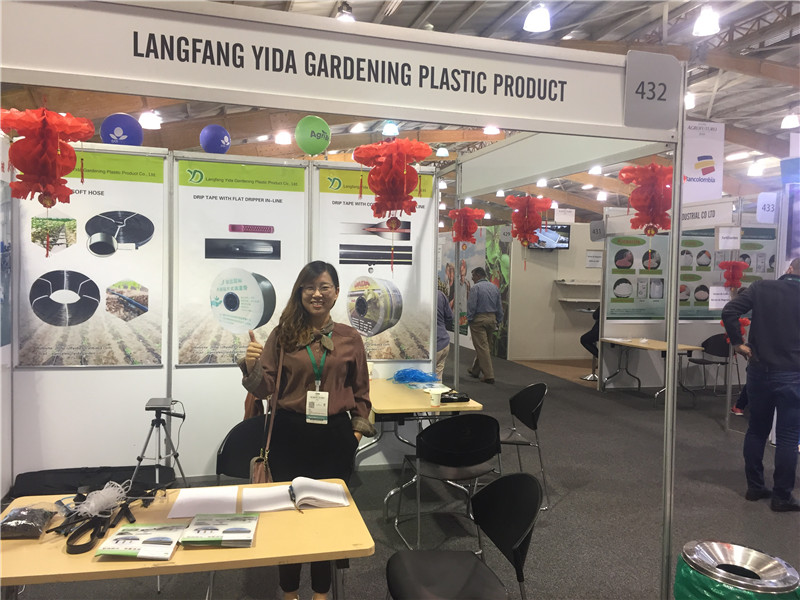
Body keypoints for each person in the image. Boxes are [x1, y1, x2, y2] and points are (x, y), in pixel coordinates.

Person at [239, 261, 376, 600]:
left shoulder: (350, 338)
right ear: (300, 292)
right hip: (289, 435)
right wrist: (251, 365)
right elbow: (265, 390)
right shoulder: (283, 335)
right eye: (310, 287)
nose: (317, 293)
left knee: (326, 519)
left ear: (336, 293)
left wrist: (353, 438)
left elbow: (362, 394)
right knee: (289, 516)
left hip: (334, 439)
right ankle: (289, 592)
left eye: (324, 287)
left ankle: (320, 592)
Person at [721, 257, 800, 512]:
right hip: (793, 374)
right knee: (788, 437)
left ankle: (755, 487)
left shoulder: (761, 287)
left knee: (756, 430)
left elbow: (729, 311)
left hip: (759, 370)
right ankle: (782, 497)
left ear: (789, 269)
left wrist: (737, 343)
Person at [466, 266, 503, 384]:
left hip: (479, 320)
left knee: (482, 347)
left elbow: (472, 305)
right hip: (492, 320)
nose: (472, 278)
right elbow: (499, 306)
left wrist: (470, 319)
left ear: (478, 275)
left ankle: (489, 375)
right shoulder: (494, 287)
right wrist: (498, 320)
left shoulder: (475, 288)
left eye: (473, 276)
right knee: (484, 346)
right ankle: (475, 370)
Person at [435, 288, 454, 380]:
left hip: (433, 345)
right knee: (438, 375)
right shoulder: (440, 295)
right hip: (444, 342)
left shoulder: (419, 295)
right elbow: (449, 317)